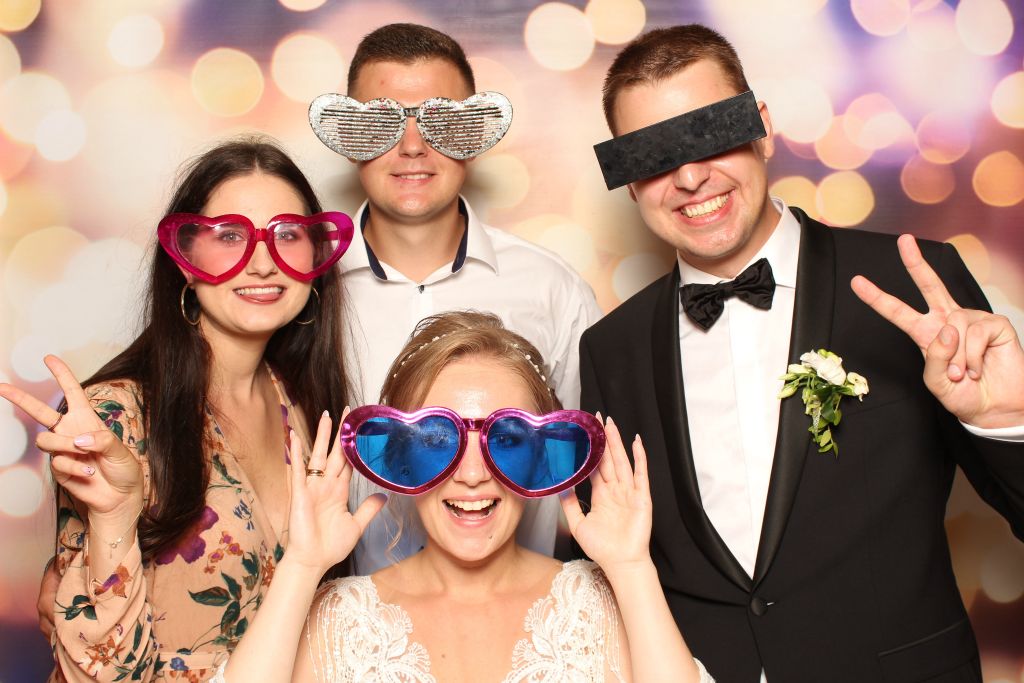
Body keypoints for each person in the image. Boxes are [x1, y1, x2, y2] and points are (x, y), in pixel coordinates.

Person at [579, 24, 1024, 683]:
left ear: (761, 125)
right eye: (653, 155)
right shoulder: (610, 349)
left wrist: (1005, 422)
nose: (691, 176)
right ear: (629, 181)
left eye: (709, 133)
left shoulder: (911, 287)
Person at [1, 138, 355, 681]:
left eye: (288, 234)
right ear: (184, 260)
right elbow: (92, 671)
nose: (264, 263)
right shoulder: (115, 419)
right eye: (230, 236)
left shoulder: (303, 405)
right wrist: (114, 517)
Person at [210, 311, 714, 682]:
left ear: (541, 454)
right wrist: (301, 567)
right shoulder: (337, 618)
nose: (472, 475)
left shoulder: (603, 605)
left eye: (506, 439)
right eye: (437, 440)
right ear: (400, 454)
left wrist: (632, 569)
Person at [309, 23, 602, 574]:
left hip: (526, 605)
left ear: (474, 132)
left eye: (440, 122)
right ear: (349, 135)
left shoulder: (553, 290)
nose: (412, 146)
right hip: (346, 607)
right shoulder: (305, 292)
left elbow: (588, 472)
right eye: (382, 123)